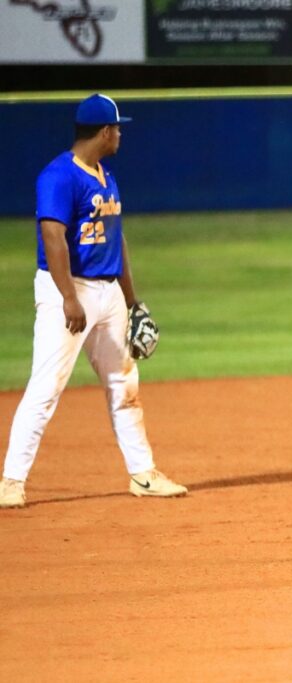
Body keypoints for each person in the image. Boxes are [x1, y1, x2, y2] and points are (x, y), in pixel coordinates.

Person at [0, 94, 188, 508]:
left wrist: (133, 301)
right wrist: (68, 297)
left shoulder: (106, 174)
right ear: (104, 132)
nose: (120, 134)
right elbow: (53, 236)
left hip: (108, 293)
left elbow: (116, 238)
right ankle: (11, 481)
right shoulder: (58, 176)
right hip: (67, 290)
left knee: (125, 383)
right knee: (46, 386)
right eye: (118, 128)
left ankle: (142, 474)